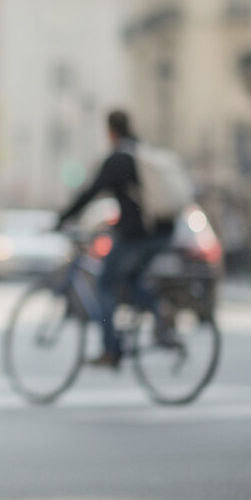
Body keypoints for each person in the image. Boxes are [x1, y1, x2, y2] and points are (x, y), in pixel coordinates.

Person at [56, 110, 176, 368]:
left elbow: (91, 192)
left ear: (110, 131)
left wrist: (62, 219)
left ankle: (110, 351)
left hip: (139, 235)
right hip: (163, 231)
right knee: (131, 280)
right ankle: (159, 310)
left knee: (105, 285)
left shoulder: (119, 160)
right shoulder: (143, 153)